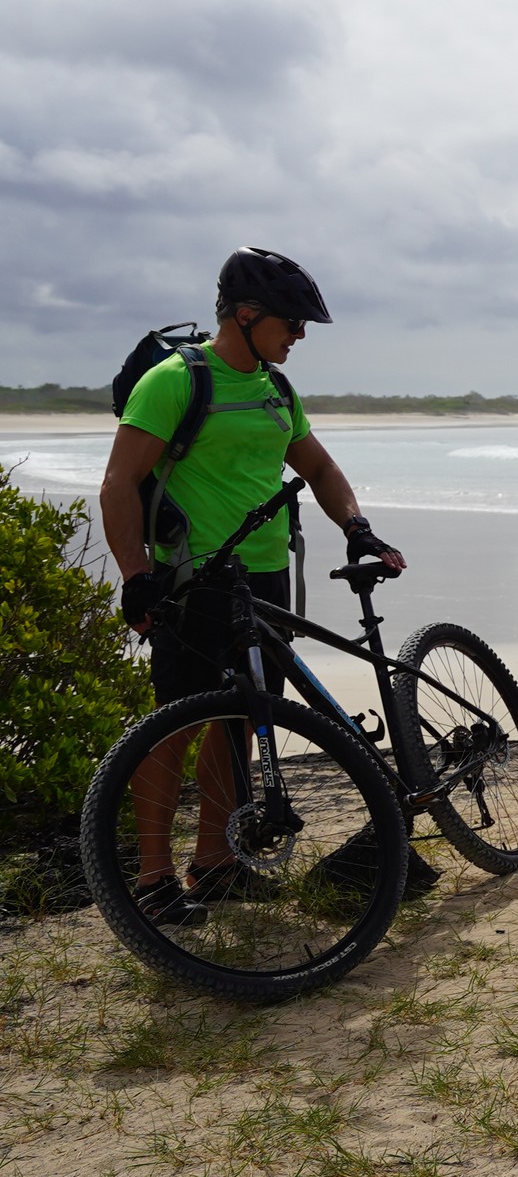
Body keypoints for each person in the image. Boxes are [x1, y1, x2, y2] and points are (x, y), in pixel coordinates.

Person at [97, 247, 411, 919]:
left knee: (241, 718)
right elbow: (119, 482)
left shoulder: (276, 390)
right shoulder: (177, 382)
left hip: (264, 578)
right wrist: (135, 576)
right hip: (190, 581)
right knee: (172, 726)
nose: (298, 337)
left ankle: (215, 864)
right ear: (246, 315)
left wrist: (358, 527)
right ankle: (153, 881)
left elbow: (321, 470)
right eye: (291, 324)